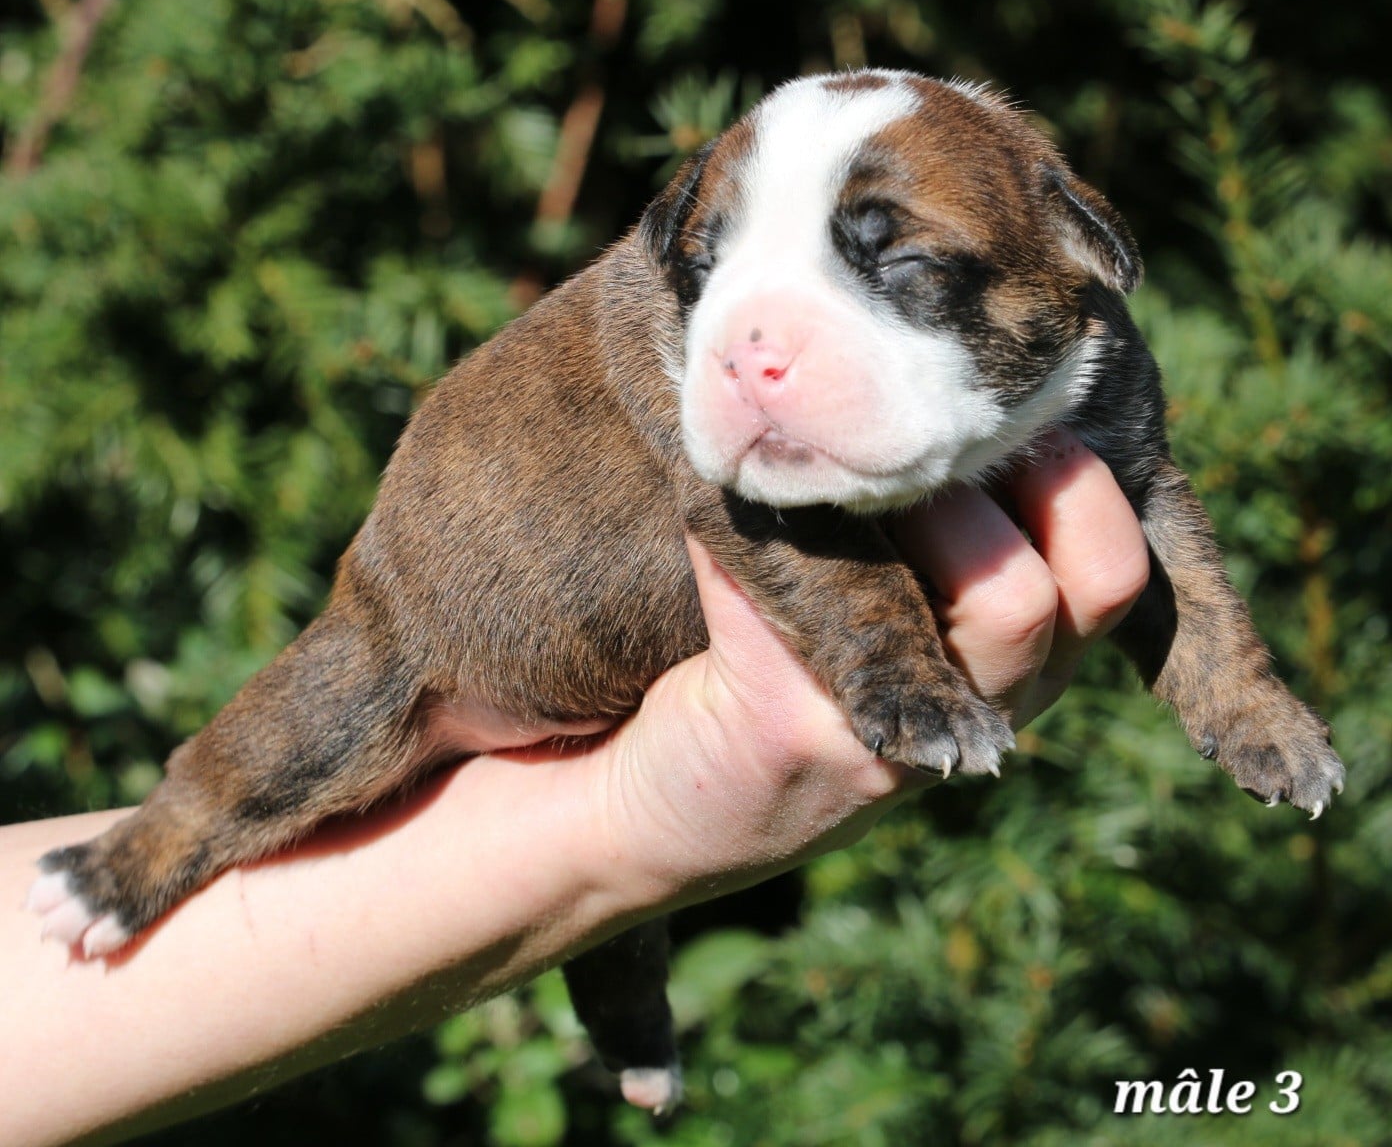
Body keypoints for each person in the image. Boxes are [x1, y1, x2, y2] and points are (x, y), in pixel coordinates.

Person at [0, 430, 1149, 1147]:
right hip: (455, 619)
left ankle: (629, 1015)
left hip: (605, 635)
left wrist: (618, 825)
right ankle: (130, 864)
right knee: (307, 728)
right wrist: (618, 830)